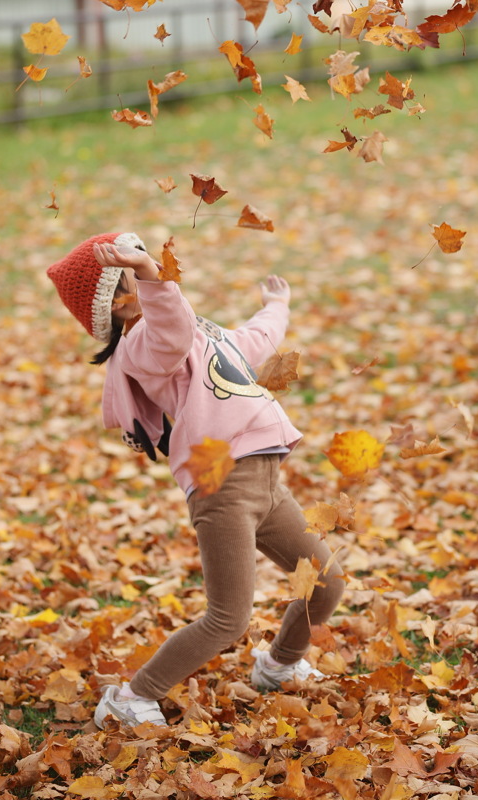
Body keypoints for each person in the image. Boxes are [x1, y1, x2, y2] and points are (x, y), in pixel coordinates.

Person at [47, 231, 344, 729]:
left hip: (266, 481)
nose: (154, 267)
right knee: (228, 617)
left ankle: (279, 665)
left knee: (324, 582)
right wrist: (148, 273)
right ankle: (131, 698)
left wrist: (278, 306)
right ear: (121, 304)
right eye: (135, 268)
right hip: (224, 486)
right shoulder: (146, 346)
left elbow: (252, 342)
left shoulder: (195, 335)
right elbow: (170, 326)